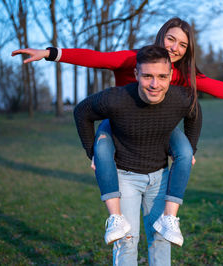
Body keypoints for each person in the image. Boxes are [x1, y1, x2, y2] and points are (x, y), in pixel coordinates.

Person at [12, 17, 223, 246]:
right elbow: (97, 59)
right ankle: (114, 217)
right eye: (171, 39)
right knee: (102, 149)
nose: (175, 48)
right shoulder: (134, 60)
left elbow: (213, 86)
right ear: (160, 37)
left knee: (185, 151)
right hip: (121, 124)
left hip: (159, 129)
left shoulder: (179, 74)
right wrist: (50, 53)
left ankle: (171, 217)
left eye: (182, 45)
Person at [74, 45, 202, 265]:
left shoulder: (181, 98)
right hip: (124, 178)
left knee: (161, 238)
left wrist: (189, 148)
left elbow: (195, 113)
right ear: (136, 74)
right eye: (147, 76)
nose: (155, 84)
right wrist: (91, 152)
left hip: (160, 178)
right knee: (126, 241)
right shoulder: (116, 98)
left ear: (171, 75)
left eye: (162, 76)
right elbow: (81, 111)